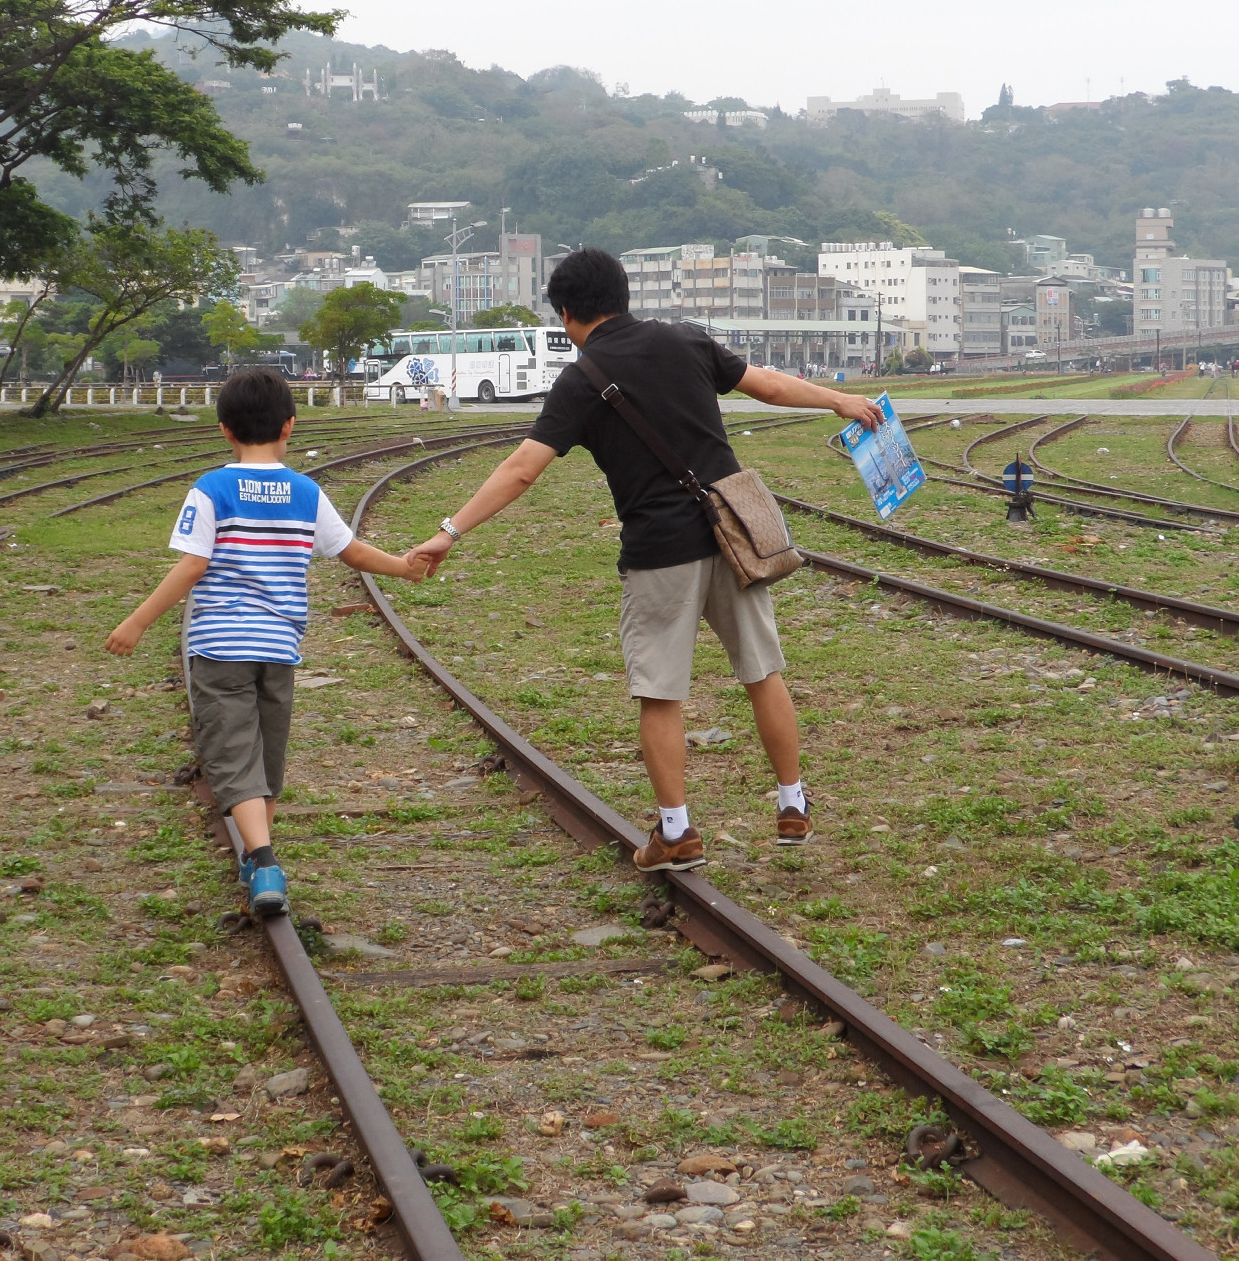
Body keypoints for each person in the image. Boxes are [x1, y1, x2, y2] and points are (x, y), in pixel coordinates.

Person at [406, 247, 883, 872]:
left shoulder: (580, 381)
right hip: (732, 536)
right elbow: (763, 384)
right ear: (624, 296)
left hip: (660, 552)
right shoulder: (686, 340)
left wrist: (450, 530)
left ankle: (678, 832)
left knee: (661, 693)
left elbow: (522, 470)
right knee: (762, 672)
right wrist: (835, 401)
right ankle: (793, 804)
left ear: (568, 313)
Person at [105, 367, 423, 917]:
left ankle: (264, 858)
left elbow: (193, 565)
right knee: (266, 758)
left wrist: (137, 621)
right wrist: (405, 567)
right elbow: (352, 553)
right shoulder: (305, 491)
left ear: (225, 429)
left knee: (232, 754)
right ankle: (257, 862)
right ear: (290, 427)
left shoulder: (212, 488)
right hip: (279, 647)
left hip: (220, 645)